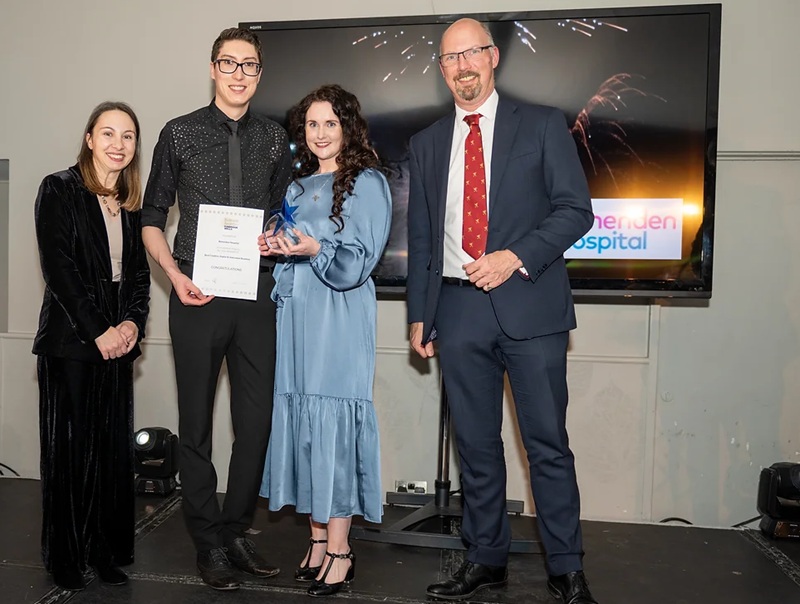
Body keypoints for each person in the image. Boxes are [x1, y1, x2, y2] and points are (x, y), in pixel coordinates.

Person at [407, 18, 599, 604]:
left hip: (531, 307)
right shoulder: (426, 143)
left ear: (492, 58)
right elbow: (421, 237)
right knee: (476, 447)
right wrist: (420, 313)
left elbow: (575, 211)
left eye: (471, 54)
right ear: (442, 70)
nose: (462, 66)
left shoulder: (542, 124)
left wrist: (515, 256)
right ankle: (484, 558)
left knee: (547, 444)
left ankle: (566, 568)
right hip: (458, 310)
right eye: (449, 58)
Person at [141, 27, 292, 591]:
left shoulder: (276, 140)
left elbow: (280, 213)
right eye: (228, 63)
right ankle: (207, 542)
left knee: (256, 427)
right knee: (196, 426)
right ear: (212, 68)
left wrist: (274, 235)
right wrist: (175, 277)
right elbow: (152, 217)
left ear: (258, 75)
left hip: (255, 295)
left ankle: (233, 531)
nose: (238, 73)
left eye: (249, 65)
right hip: (195, 295)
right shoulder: (178, 133)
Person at [258, 84, 391, 597]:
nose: (319, 133)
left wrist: (315, 248)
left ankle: (341, 549)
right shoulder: (296, 188)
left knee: (332, 425)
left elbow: (358, 261)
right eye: (311, 125)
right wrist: (275, 246)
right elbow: (291, 251)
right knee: (305, 425)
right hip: (297, 315)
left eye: (329, 123)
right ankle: (316, 543)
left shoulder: (368, 182)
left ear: (347, 127)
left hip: (339, 313)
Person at [32, 101, 151, 591]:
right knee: (68, 454)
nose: (118, 144)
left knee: (110, 453)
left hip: (117, 344)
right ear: (89, 138)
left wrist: (132, 323)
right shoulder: (58, 188)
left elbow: (139, 276)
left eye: (127, 136)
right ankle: (65, 556)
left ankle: (103, 552)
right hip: (71, 343)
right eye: (108, 134)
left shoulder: (130, 203)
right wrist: (98, 329)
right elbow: (59, 268)